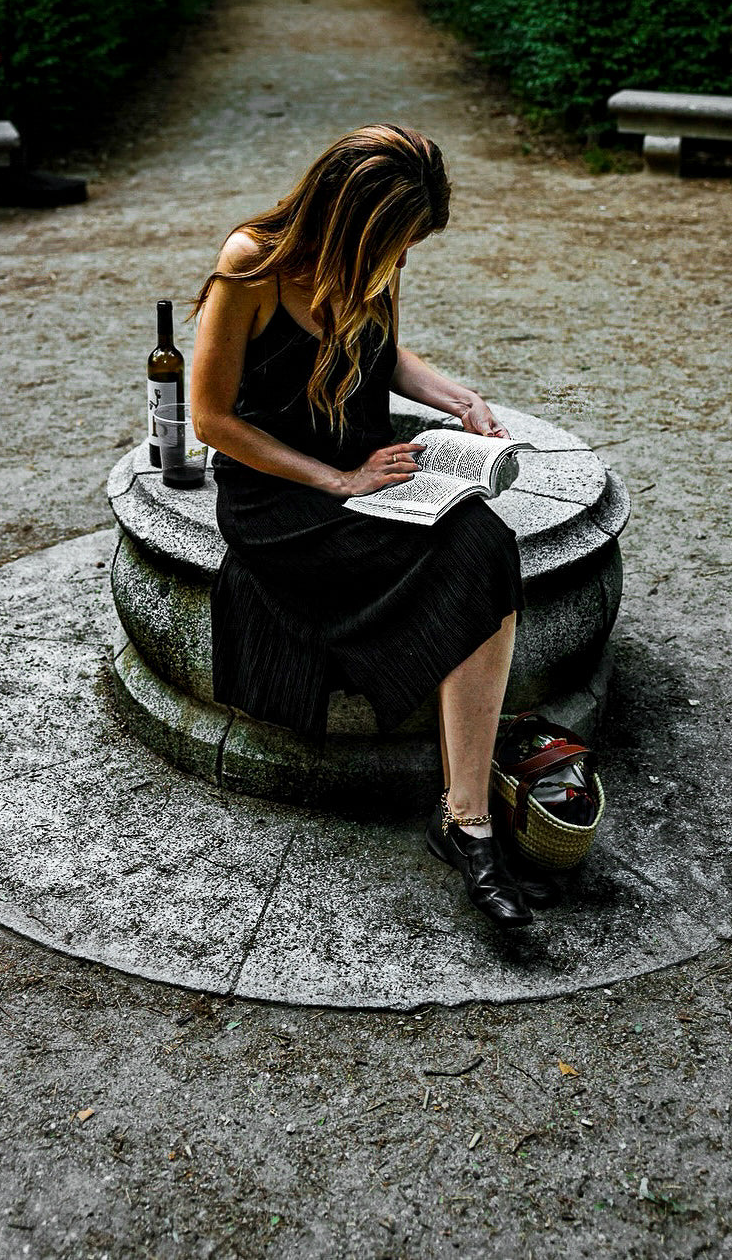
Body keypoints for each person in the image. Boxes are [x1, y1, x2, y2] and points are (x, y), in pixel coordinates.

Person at [192, 124, 544, 934]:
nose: (404, 259)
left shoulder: (370, 264)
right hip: (279, 497)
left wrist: (455, 398)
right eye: (397, 241)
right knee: (458, 562)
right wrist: (337, 481)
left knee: (485, 544)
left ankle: (465, 820)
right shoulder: (251, 262)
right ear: (352, 221)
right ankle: (470, 822)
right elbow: (210, 419)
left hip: (363, 459)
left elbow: (382, 351)